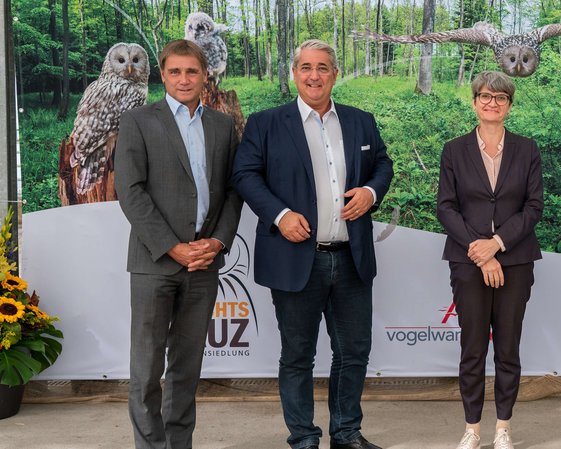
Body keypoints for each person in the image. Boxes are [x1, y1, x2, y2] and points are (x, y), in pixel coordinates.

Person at [231, 39, 393, 449]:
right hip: (295, 258)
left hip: (352, 258)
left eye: (323, 67)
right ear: (294, 73)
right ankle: (303, 437)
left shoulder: (360, 121)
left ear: (335, 74)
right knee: (298, 355)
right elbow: (246, 175)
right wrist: (281, 216)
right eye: (306, 67)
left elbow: (383, 164)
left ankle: (346, 433)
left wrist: (371, 193)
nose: (314, 75)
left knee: (353, 352)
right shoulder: (266, 123)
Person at [115, 39, 242, 449]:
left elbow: (231, 192)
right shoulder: (137, 121)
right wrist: (173, 246)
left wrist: (218, 242)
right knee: (147, 368)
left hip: (204, 264)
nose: (184, 79)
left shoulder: (222, 126)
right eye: (175, 72)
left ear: (205, 76)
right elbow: (130, 192)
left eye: (192, 72)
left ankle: (179, 444)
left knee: (187, 367)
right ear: (163, 75)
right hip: (155, 263)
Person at [436, 71, 543, 449]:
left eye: (500, 97)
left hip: (516, 261)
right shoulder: (454, 149)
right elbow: (446, 208)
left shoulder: (527, 148)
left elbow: (533, 207)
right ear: (474, 102)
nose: (491, 102)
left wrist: (496, 244)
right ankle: (472, 429)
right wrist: (480, 253)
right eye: (484, 96)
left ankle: (502, 429)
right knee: (473, 347)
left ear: (509, 106)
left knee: (509, 347)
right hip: (467, 262)